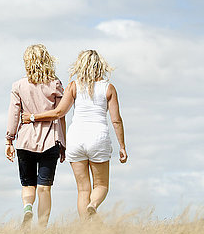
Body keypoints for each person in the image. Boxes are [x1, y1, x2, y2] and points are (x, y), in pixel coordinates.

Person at [22, 50, 127, 219]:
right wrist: (122, 146)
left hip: (76, 138)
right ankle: (93, 205)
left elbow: (58, 113)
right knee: (101, 185)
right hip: (98, 137)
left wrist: (33, 117)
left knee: (83, 190)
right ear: (100, 66)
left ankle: (86, 228)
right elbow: (116, 120)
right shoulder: (108, 88)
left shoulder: (73, 86)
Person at [6, 44, 66, 228]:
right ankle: (42, 228)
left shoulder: (18, 85)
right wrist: (63, 142)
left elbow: (14, 114)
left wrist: (9, 139)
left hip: (24, 140)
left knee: (27, 184)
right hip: (50, 139)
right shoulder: (55, 84)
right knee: (44, 187)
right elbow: (61, 114)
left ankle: (28, 207)